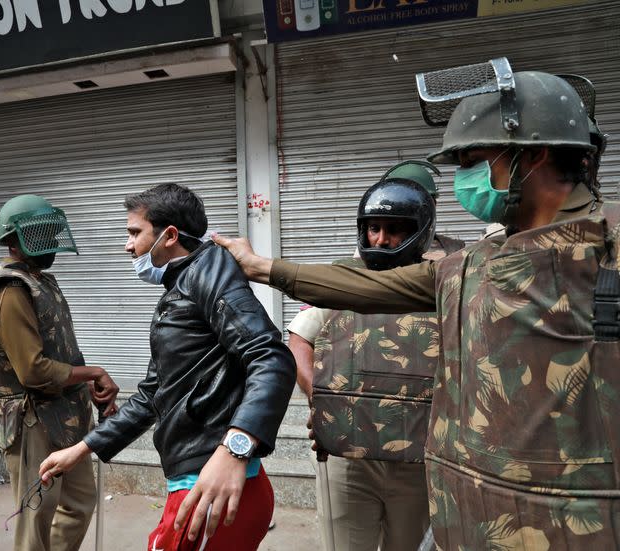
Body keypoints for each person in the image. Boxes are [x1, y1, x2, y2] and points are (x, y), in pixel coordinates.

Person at [215, 65, 620, 548]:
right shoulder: (475, 260)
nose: (466, 178)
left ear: (533, 154)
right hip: (468, 516)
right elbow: (366, 286)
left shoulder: (609, 247)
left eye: (475, 159)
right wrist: (261, 267)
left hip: (576, 524)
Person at [38, 183, 296, 551]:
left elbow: (270, 357)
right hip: (198, 481)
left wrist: (233, 450)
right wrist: (83, 449)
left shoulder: (208, 275)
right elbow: (154, 394)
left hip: (210, 488)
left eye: (134, 233)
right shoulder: (184, 285)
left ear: (170, 235)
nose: (128, 246)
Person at [288, 165, 463, 551]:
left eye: (395, 228)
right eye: (373, 228)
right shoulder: (347, 276)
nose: (381, 240)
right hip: (348, 458)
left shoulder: (454, 275)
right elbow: (299, 340)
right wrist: (324, 403)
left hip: (419, 461)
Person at [0, 194, 120, 551]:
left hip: (66, 414)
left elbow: (63, 349)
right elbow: (33, 371)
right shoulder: (10, 290)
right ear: (13, 240)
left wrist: (87, 386)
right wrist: (93, 372)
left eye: (51, 234)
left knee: (81, 502)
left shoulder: (43, 281)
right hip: (31, 420)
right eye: (40, 234)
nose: (50, 243)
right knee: (36, 516)